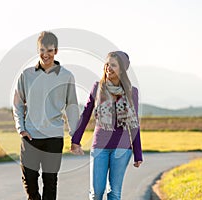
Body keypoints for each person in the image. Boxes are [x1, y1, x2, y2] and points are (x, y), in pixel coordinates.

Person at [13, 31, 79, 200]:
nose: (45, 54)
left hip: (54, 137)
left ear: (56, 51)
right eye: (42, 50)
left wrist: (75, 137)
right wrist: (21, 129)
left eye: (49, 50)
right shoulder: (26, 75)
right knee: (29, 179)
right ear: (38, 50)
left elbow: (71, 107)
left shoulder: (66, 76)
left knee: (50, 180)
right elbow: (18, 104)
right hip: (30, 136)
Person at [71, 51, 143, 200]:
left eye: (113, 65)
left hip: (122, 148)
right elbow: (86, 115)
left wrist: (138, 153)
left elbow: (134, 124)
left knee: (115, 193)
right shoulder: (98, 88)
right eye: (107, 64)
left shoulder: (131, 92)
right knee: (96, 192)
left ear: (122, 69)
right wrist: (76, 140)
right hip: (100, 146)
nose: (108, 68)